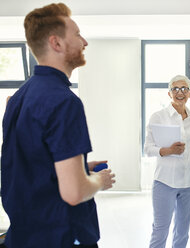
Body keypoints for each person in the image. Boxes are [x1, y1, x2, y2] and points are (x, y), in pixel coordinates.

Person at [1, 3, 116, 248]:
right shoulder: (65, 102)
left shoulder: (17, 99)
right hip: (61, 238)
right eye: (77, 34)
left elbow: (29, 167)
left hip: (23, 238)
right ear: (57, 43)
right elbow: (74, 193)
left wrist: (80, 167)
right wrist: (98, 180)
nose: (84, 42)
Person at [144, 75, 190, 248]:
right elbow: (148, 149)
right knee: (160, 230)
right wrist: (169, 151)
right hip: (165, 181)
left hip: (189, 181)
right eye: (175, 89)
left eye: (184, 89)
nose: (179, 92)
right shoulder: (158, 117)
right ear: (169, 93)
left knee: (182, 231)